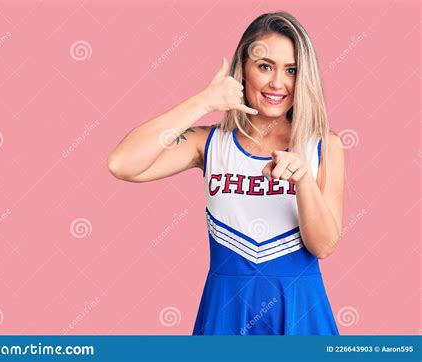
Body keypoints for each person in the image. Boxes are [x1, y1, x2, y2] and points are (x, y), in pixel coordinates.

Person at [107, 11, 344, 335]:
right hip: (225, 309)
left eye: (291, 70)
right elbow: (122, 164)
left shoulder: (323, 145)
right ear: (242, 71)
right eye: (265, 66)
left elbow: (324, 246)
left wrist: (303, 181)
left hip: (300, 310)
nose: (277, 82)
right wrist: (203, 102)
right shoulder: (208, 143)